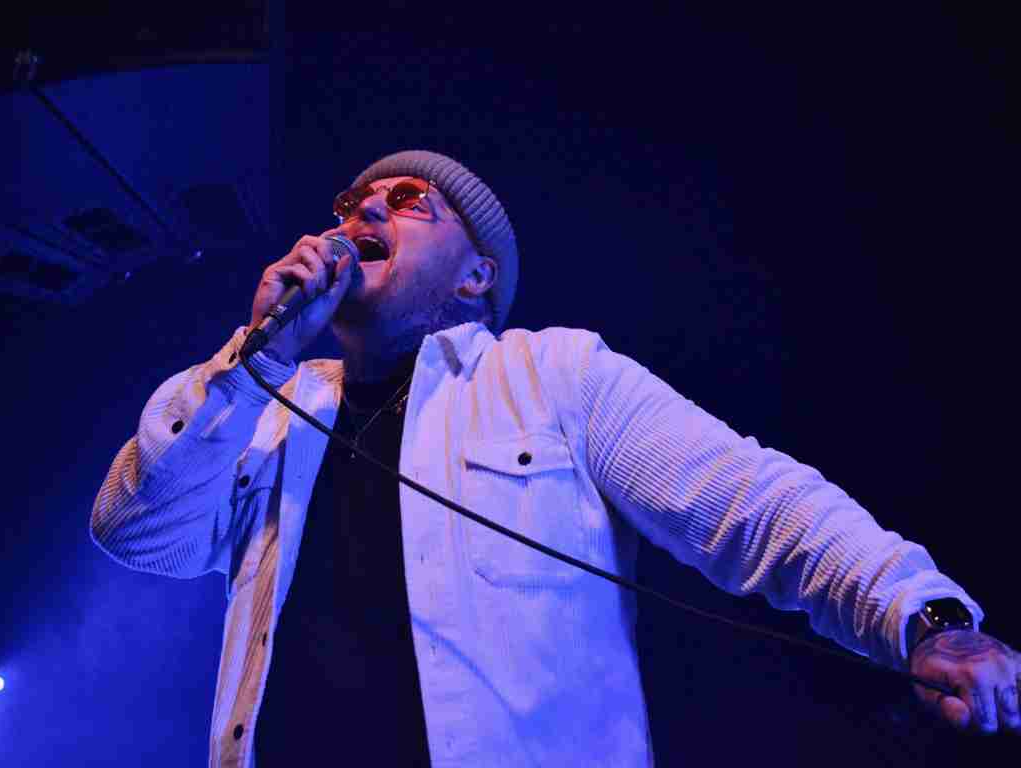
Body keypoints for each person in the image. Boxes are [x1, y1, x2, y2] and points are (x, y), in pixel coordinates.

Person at [90, 150, 1018, 767]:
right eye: (354, 201)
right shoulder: (271, 409)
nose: (365, 205)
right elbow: (139, 533)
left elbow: (753, 502)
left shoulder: (550, 375)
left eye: (410, 202)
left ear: (476, 276)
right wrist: (256, 356)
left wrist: (924, 617)